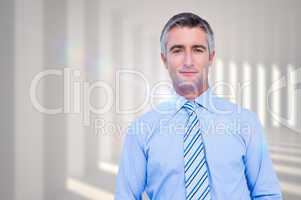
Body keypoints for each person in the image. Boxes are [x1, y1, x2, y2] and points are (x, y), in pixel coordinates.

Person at [115, 12, 282, 200]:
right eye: (177, 50)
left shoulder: (246, 122)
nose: (188, 61)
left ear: (211, 57)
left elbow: (267, 194)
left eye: (197, 50)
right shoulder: (141, 130)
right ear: (164, 59)